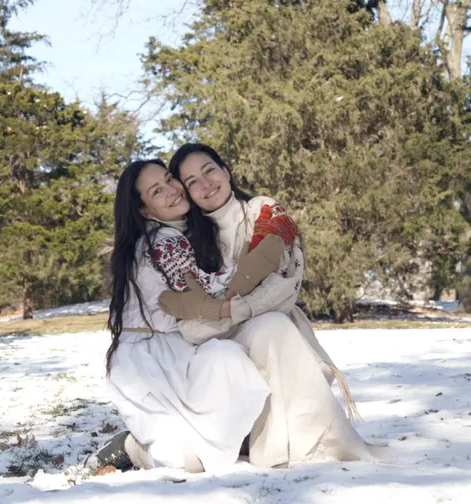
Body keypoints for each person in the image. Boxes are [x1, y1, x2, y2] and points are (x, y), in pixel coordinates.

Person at [155, 142, 383, 467]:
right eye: (192, 182)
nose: (205, 184)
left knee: (271, 324)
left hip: (274, 331)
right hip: (222, 346)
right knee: (253, 336)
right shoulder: (185, 245)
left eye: (209, 171)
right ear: (188, 194)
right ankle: (264, 442)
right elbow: (188, 322)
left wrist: (228, 309)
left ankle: (303, 448)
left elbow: (285, 285)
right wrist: (226, 313)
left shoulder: (262, 212)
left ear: (226, 171)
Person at [86, 158, 273, 475]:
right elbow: (206, 292)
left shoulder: (155, 237)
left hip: (159, 352)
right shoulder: (164, 241)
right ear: (145, 210)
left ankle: (233, 439)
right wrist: (258, 262)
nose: (172, 190)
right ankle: (131, 448)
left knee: (225, 365)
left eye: (169, 179)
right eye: (157, 191)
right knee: (187, 461)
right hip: (154, 362)